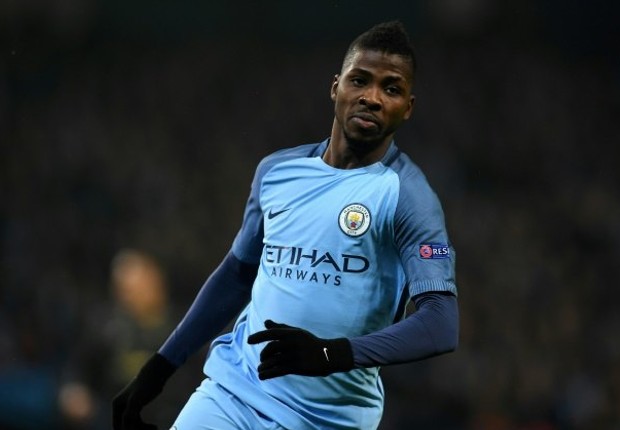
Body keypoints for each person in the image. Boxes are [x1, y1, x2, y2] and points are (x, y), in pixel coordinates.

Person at [113, 20, 460, 430]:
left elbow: (441, 323)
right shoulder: (277, 172)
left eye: (391, 88)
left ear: (408, 107)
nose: (372, 97)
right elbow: (237, 274)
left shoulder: (408, 196)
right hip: (233, 393)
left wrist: (332, 354)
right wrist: (159, 368)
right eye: (360, 80)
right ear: (336, 87)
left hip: (328, 419)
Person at [61, 249, 183, 428]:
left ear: (157, 283)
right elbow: (78, 369)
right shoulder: (105, 327)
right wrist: (74, 390)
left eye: (137, 289)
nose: (129, 297)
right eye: (123, 290)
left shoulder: (183, 327)